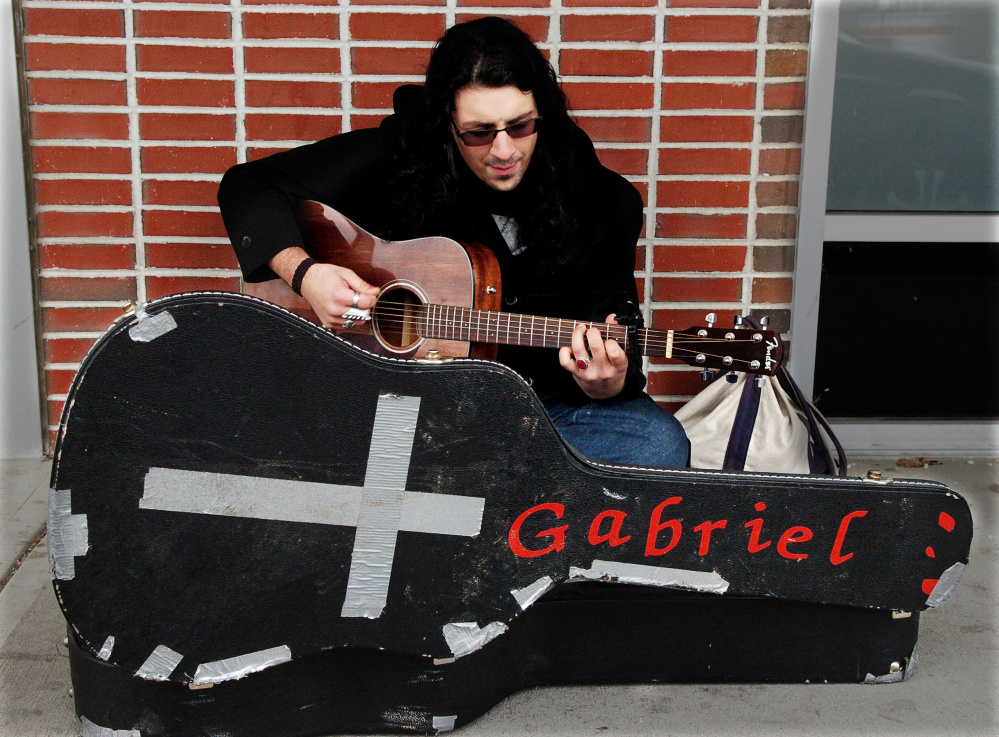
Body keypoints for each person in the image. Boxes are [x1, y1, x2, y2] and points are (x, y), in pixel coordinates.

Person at [218, 16, 688, 468]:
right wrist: (307, 275)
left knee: (656, 444)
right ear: (447, 124)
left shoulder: (602, 201)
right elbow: (249, 187)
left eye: (520, 126)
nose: (503, 151)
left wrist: (604, 384)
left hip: (543, 407)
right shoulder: (403, 155)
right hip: (409, 403)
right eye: (479, 133)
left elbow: (613, 331)